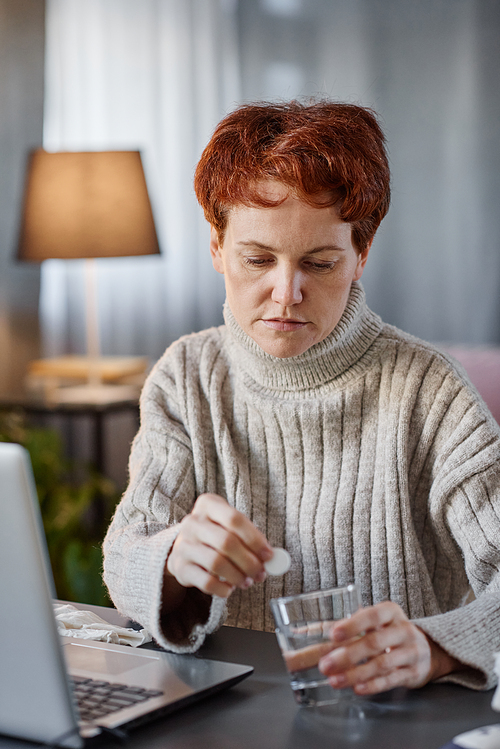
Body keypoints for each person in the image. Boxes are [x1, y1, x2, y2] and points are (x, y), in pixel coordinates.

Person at [103, 100, 500, 696]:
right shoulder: (187, 376)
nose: (286, 292)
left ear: (361, 254)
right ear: (216, 246)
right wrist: (172, 560)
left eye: (319, 262)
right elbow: (123, 556)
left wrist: (438, 647)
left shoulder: (430, 391)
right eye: (257, 258)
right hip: (224, 720)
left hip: (390, 719)